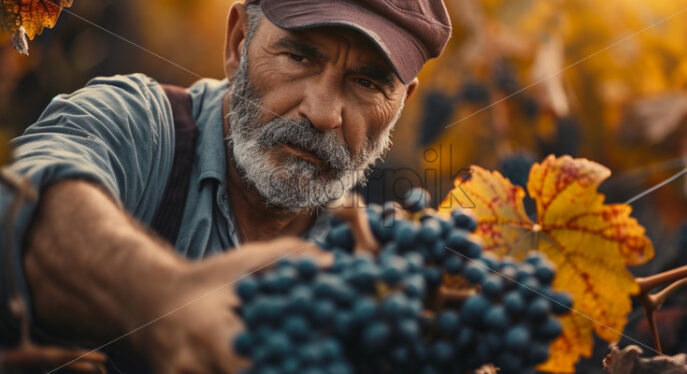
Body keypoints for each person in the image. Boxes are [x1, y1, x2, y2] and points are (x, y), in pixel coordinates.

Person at [0, 0, 451, 372]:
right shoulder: (137, 124)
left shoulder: (378, 267)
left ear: (401, 104)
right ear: (238, 43)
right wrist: (167, 299)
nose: (323, 113)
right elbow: (18, 200)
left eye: (367, 83)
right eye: (299, 57)